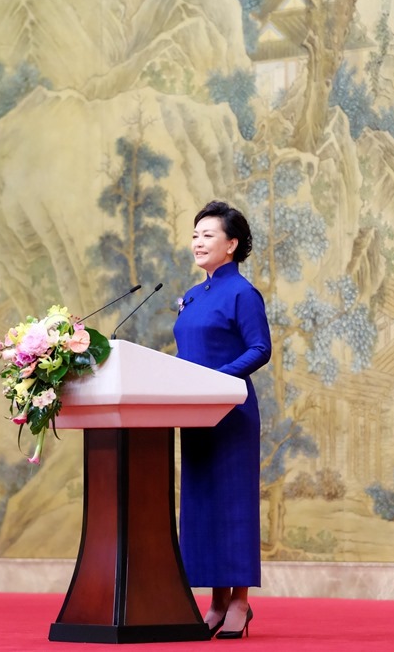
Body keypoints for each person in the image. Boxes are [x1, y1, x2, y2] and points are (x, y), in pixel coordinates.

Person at [173, 200, 272, 639]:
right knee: (204, 506)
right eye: (195, 235)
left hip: (230, 414)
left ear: (231, 245)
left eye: (208, 235)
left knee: (233, 507)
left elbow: (259, 349)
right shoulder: (192, 296)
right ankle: (214, 601)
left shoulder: (243, 293)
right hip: (195, 416)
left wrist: (214, 380)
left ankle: (240, 602)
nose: (198, 242)